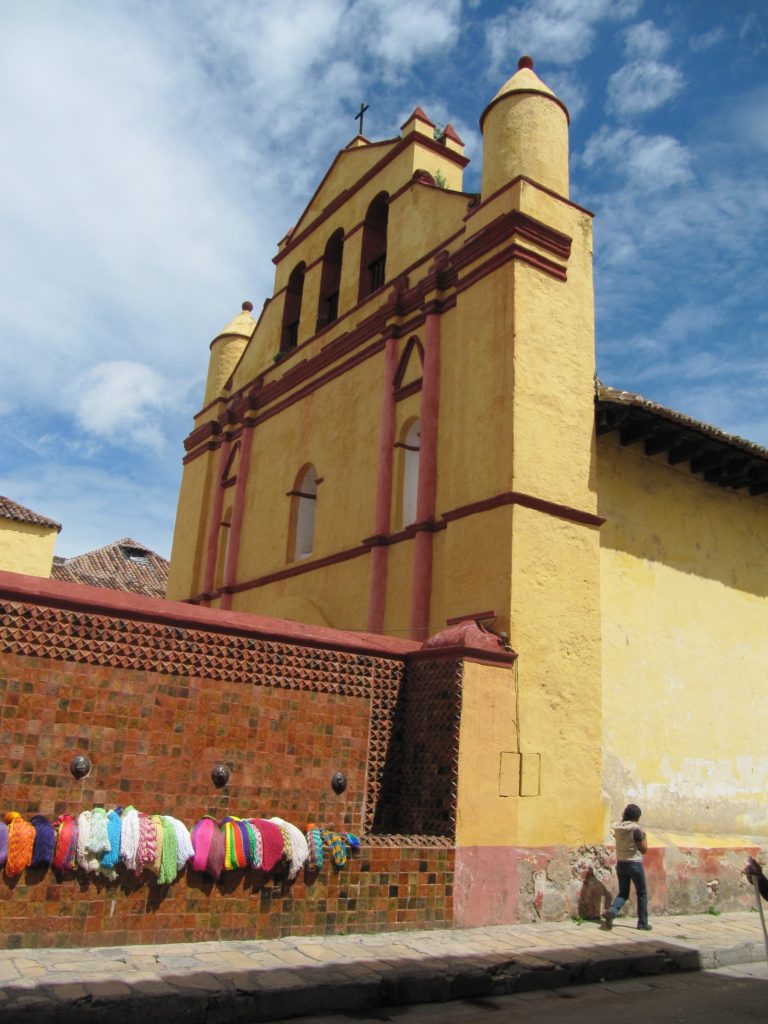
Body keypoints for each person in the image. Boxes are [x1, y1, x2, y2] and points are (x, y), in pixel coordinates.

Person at [601, 803, 651, 931]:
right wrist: (645, 836)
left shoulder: (619, 828)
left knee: (623, 892)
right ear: (637, 817)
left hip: (621, 863)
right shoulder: (636, 829)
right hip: (634, 863)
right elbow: (644, 849)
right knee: (642, 893)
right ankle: (643, 923)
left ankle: (612, 911)